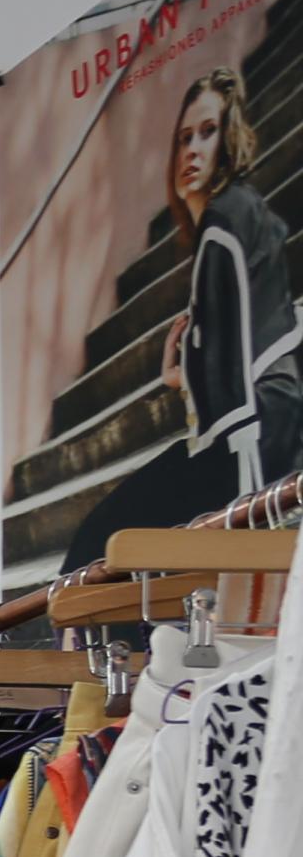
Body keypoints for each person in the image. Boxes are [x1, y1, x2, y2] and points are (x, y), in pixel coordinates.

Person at [66, 66, 299, 571]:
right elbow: (245, 345)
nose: (192, 150)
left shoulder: (223, 223)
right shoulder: (239, 215)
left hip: (250, 440)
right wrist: (183, 380)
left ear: (227, 140)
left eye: (207, 132)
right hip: (258, 424)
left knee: (100, 541)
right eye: (184, 138)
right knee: (109, 537)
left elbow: (240, 375)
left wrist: (249, 501)